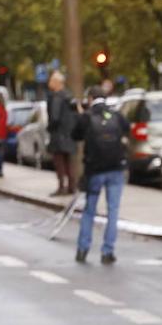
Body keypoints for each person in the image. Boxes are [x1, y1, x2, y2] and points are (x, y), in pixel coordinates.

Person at [72, 86, 129, 264]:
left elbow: (75, 135)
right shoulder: (116, 115)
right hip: (115, 168)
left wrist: (81, 113)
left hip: (95, 170)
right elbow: (127, 129)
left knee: (89, 210)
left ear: (90, 98)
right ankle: (107, 251)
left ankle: (83, 248)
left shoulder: (87, 117)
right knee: (113, 211)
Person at [46, 70, 77, 196]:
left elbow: (54, 117)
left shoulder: (56, 97)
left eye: (51, 81)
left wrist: (50, 128)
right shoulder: (69, 96)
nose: (49, 83)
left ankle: (61, 187)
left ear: (56, 83)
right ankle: (71, 186)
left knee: (59, 163)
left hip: (58, 135)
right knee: (69, 162)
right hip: (69, 134)